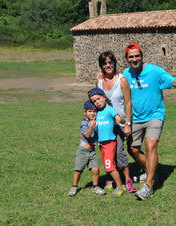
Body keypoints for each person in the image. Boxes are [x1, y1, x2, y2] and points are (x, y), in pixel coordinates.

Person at [123, 43, 176, 200]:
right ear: (126, 59)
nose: (134, 59)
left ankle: (148, 186)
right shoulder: (125, 74)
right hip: (136, 118)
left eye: (137, 56)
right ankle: (151, 172)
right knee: (132, 149)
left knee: (150, 145)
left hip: (155, 114)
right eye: (131, 57)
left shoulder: (155, 71)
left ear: (142, 56)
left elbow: (174, 83)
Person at [96, 51, 136, 193]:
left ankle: (128, 180)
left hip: (119, 125)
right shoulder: (99, 81)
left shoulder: (122, 80)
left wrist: (128, 124)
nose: (108, 65)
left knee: (119, 153)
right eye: (105, 63)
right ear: (101, 65)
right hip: (104, 125)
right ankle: (112, 179)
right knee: (108, 154)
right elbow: (96, 102)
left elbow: (128, 102)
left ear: (114, 63)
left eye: (110, 62)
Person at [88, 88, 126, 197]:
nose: (97, 102)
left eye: (98, 99)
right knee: (108, 165)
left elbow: (118, 117)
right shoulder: (96, 112)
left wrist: (120, 120)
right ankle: (115, 182)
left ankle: (120, 187)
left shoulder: (109, 109)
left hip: (109, 142)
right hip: (101, 144)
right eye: (94, 101)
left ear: (104, 97)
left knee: (109, 167)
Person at [68, 100, 105, 197]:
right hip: (82, 151)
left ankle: (95, 187)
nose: (92, 113)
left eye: (94, 111)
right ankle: (74, 187)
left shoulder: (97, 122)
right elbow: (87, 136)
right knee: (79, 170)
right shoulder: (84, 123)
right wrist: (91, 127)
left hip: (92, 151)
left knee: (96, 170)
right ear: (85, 112)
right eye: (90, 111)